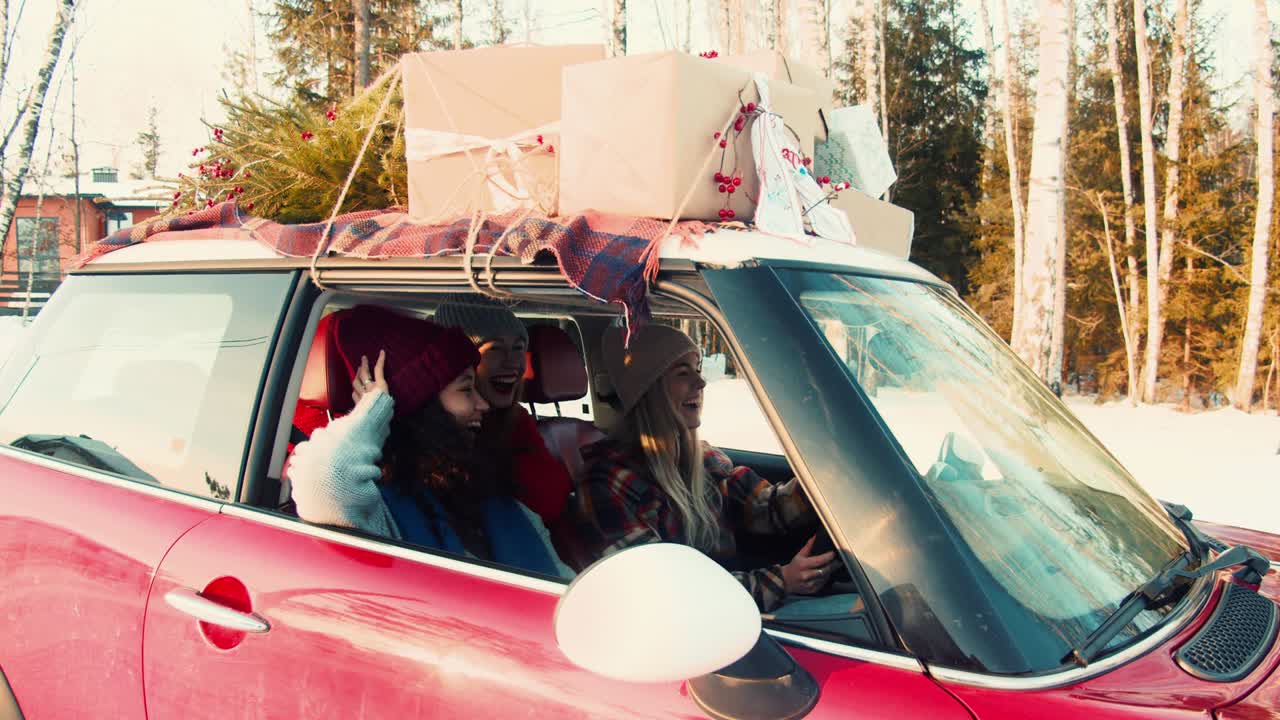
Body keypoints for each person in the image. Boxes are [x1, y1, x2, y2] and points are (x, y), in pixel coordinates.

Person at [288, 304, 571, 578]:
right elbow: (323, 478)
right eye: (466, 389)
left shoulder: (497, 502)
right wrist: (374, 409)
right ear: (422, 406)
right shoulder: (377, 513)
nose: (482, 404)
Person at [575, 324, 840, 612]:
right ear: (648, 390)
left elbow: (767, 509)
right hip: (690, 630)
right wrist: (782, 581)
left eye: (698, 369)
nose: (701, 383)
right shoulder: (607, 484)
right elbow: (665, 593)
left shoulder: (702, 458)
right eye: (682, 373)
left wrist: (832, 479)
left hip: (730, 613)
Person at [433, 294, 574, 530]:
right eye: (495, 349)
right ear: (459, 363)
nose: (512, 362)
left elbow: (549, 501)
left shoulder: (516, 420)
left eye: (519, 348)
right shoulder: (437, 434)